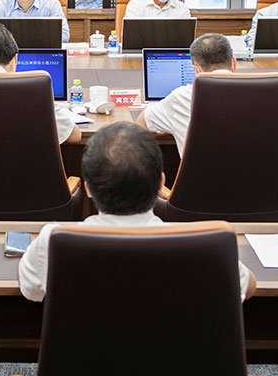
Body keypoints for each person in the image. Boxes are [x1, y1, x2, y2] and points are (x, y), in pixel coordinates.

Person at [19, 122, 254, 301]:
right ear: (161, 183)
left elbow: (30, 291)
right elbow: (248, 287)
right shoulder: (206, 246)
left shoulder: (53, 240)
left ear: (88, 188)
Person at [138, 33, 278, 155]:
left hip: (200, 194)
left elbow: (141, 126)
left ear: (196, 69)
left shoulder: (181, 97)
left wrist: (171, 124)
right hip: (262, 193)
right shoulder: (269, 92)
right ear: (233, 63)